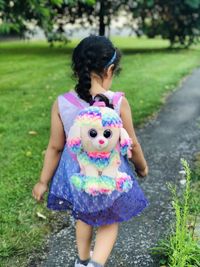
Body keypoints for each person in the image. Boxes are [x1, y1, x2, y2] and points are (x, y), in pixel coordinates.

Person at [32, 35, 149, 267]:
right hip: (110, 174)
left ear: (77, 70)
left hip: (78, 175)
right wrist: (141, 167)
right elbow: (132, 143)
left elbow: (55, 147)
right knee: (109, 220)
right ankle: (95, 264)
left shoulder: (62, 103)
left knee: (83, 215)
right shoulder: (117, 101)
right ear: (110, 70)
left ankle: (82, 260)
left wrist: (43, 181)